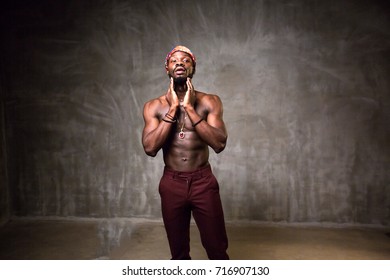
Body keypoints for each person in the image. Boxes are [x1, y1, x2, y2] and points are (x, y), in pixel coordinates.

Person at [141, 46, 229, 260]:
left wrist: (189, 108)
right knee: (178, 253)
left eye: (186, 60)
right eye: (175, 61)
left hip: (203, 182)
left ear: (193, 68)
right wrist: (172, 110)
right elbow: (150, 148)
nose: (180, 63)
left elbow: (219, 143)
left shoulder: (210, 101)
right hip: (172, 183)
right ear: (167, 68)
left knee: (217, 249)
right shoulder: (154, 107)